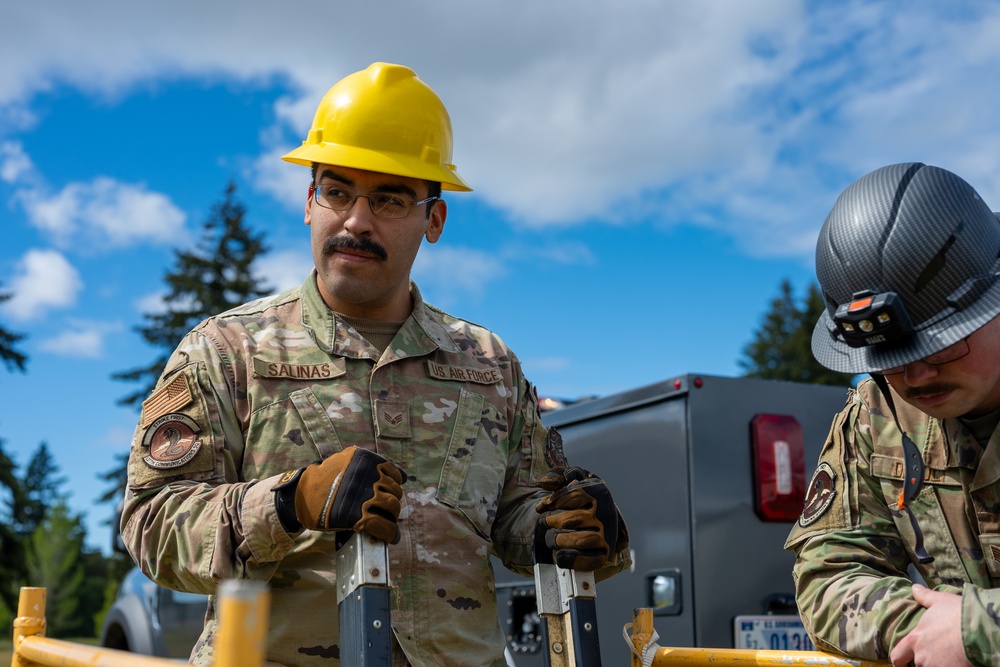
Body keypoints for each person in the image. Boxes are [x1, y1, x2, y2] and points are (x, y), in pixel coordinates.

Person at [120, 62, 631, 667]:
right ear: (310, 202)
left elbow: (513, 516)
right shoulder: (228, 351)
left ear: (433, 220)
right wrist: (291, 503)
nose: (357, 220)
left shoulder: (489, 364)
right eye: (337, 191)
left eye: (390, 199)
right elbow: (153, 523)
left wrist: (559, 526)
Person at [784, 162, 1000, 666]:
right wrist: (925, 627)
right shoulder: (878, 413)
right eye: (891, 359)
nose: (917, 378)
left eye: (941, 346)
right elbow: (829, 575)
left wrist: (978, 630)